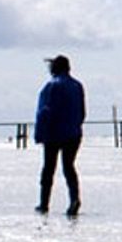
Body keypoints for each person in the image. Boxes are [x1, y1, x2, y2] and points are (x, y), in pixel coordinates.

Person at [34, 55, 86, 216]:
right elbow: (83, 112)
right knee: (69, 167)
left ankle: (44, 203)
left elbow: (45, 112)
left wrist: (39, 134)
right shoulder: (77, 86)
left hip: (53, 133)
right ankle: (74, 199)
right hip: (73, 133)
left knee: (49, 168)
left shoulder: (51, 86)